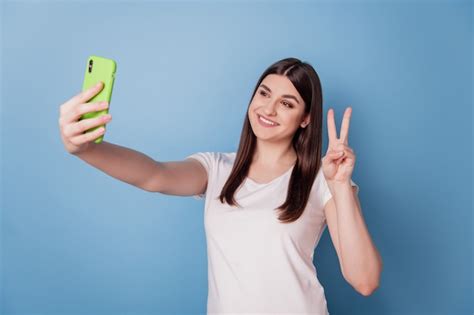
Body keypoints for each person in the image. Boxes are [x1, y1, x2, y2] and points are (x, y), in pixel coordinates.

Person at [58, 57, 382, 315]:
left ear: (305, 118)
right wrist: (87, 148)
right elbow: (153, 175)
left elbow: (364, 280)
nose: (268, 109)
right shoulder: (217, 169)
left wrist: (340, 185)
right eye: (264, 94)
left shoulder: (322, 181)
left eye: (287, 103)